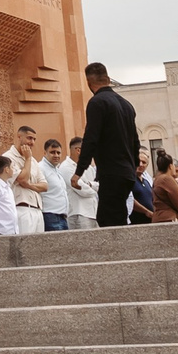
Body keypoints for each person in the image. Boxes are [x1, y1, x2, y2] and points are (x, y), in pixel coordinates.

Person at [81, 61, 142, 227]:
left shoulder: (97, 102)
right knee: (118, 215)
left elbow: (91, 138)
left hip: (111, 171)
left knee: (108, 219)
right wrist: (134, 166)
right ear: (108, 79)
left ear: (88, 82)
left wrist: (79, 170)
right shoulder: (126, 105)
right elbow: (135, 140)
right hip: (127, 173)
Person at [30, 137, 75, 232]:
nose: (56, 155)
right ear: (45, 153)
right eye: (52, 152)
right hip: (50, 215)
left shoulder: (56, 170)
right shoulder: (40, 168)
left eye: (58, 153)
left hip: (62, 216)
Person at [148, 150, 178, 223]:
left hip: (159, 217)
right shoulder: (166, 179)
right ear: (170, 166)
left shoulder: (157, 179)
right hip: (168, 218)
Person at [65, 136, 100, 229]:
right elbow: (82, 189)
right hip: (79, 214)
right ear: (78, 150)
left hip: (93, 212)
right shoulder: (66, 167)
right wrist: (93, 189)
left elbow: (99, 185)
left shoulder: (89, 168)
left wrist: (89, 184)